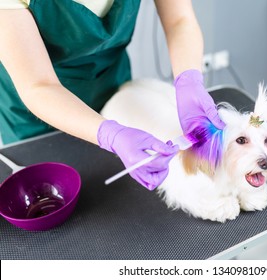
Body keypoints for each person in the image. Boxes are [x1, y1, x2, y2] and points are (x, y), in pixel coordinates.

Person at [0, 0, 225, 190]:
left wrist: (190, 82)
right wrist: (110, 134)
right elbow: (39, 85)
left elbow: (179, 21)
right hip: (38, 113)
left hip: (112, 84)